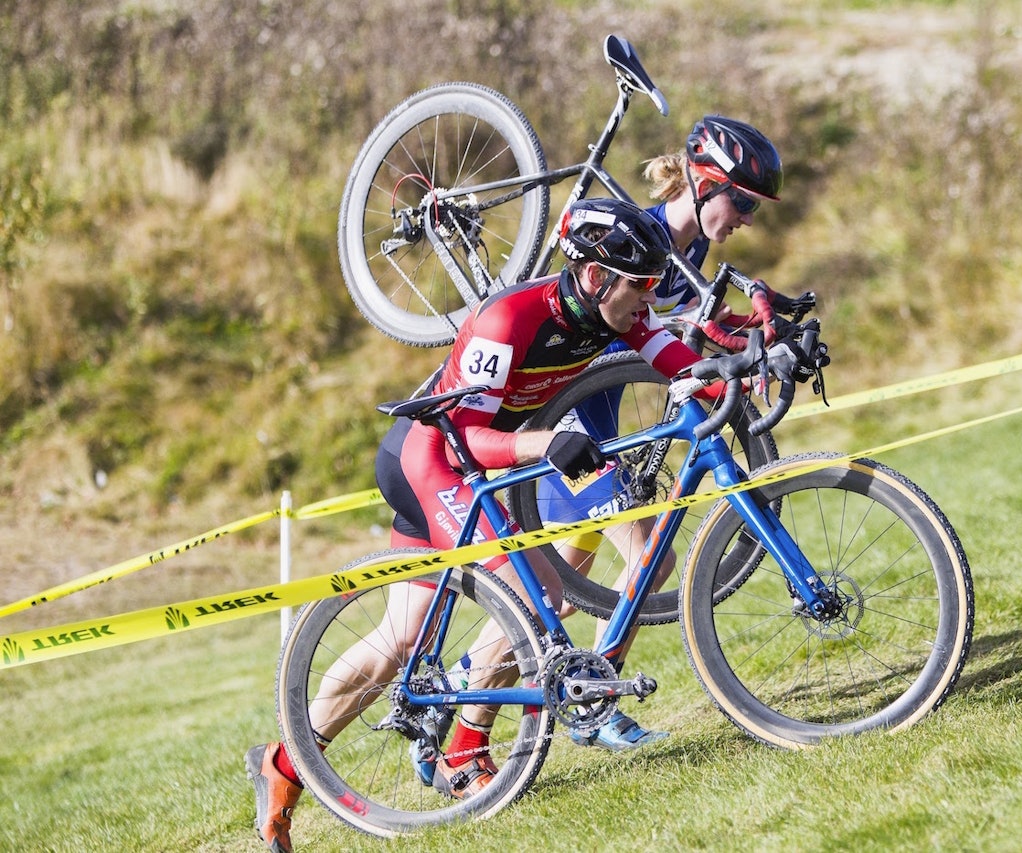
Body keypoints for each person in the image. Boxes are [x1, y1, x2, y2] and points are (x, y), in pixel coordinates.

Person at [246, 198, 720, 853]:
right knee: (539, 596)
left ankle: (282, 767)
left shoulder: (613, 312)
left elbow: (677, 359)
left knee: (398, 640)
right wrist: (548, 441)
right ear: (592, 277)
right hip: (433, 462)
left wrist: (749, 368)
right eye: (639, 287)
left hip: (471, 464)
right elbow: (465, 439)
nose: (648, 301)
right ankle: (464, 746)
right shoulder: (507, 320)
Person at [537, 115, 786, 591]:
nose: (749, 218)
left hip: (598, 424)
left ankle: (574, 668)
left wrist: (770, 331)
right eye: (743, 201)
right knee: (649, 564)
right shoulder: (642, 240)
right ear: (708, 185)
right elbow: (662, 328)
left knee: (568, 596)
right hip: (566, 416)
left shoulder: (688, 251)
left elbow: (691, 328)